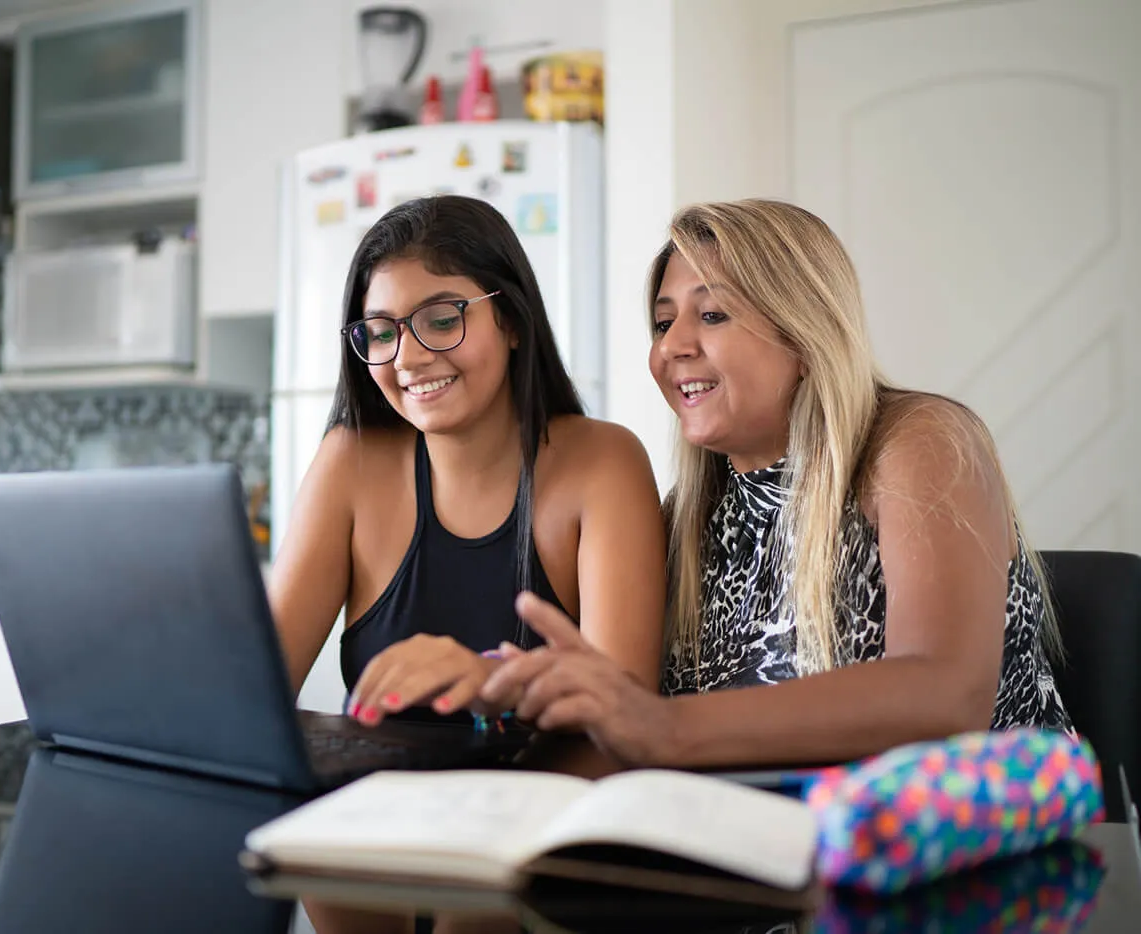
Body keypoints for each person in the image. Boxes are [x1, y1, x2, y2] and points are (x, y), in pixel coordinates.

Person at [481, 198, 1073, 769]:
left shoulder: (917, 441)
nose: (671, 347)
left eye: (712, 314)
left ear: (803, 332)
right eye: (663, 322)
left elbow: (946, 696)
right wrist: (492, 689)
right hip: (761, 847)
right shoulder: (686, 518)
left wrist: (666, 728)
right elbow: (611, 716)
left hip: (965, 842)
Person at [267, 193, 666, 731]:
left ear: (512, 322)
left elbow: (630, 723)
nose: (407, 357)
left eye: (440, 318)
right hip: (377, 807)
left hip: (545, 808)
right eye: (382, 331)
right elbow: (258, 694)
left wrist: (492, 679)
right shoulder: (348, 463)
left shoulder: (602, 463)